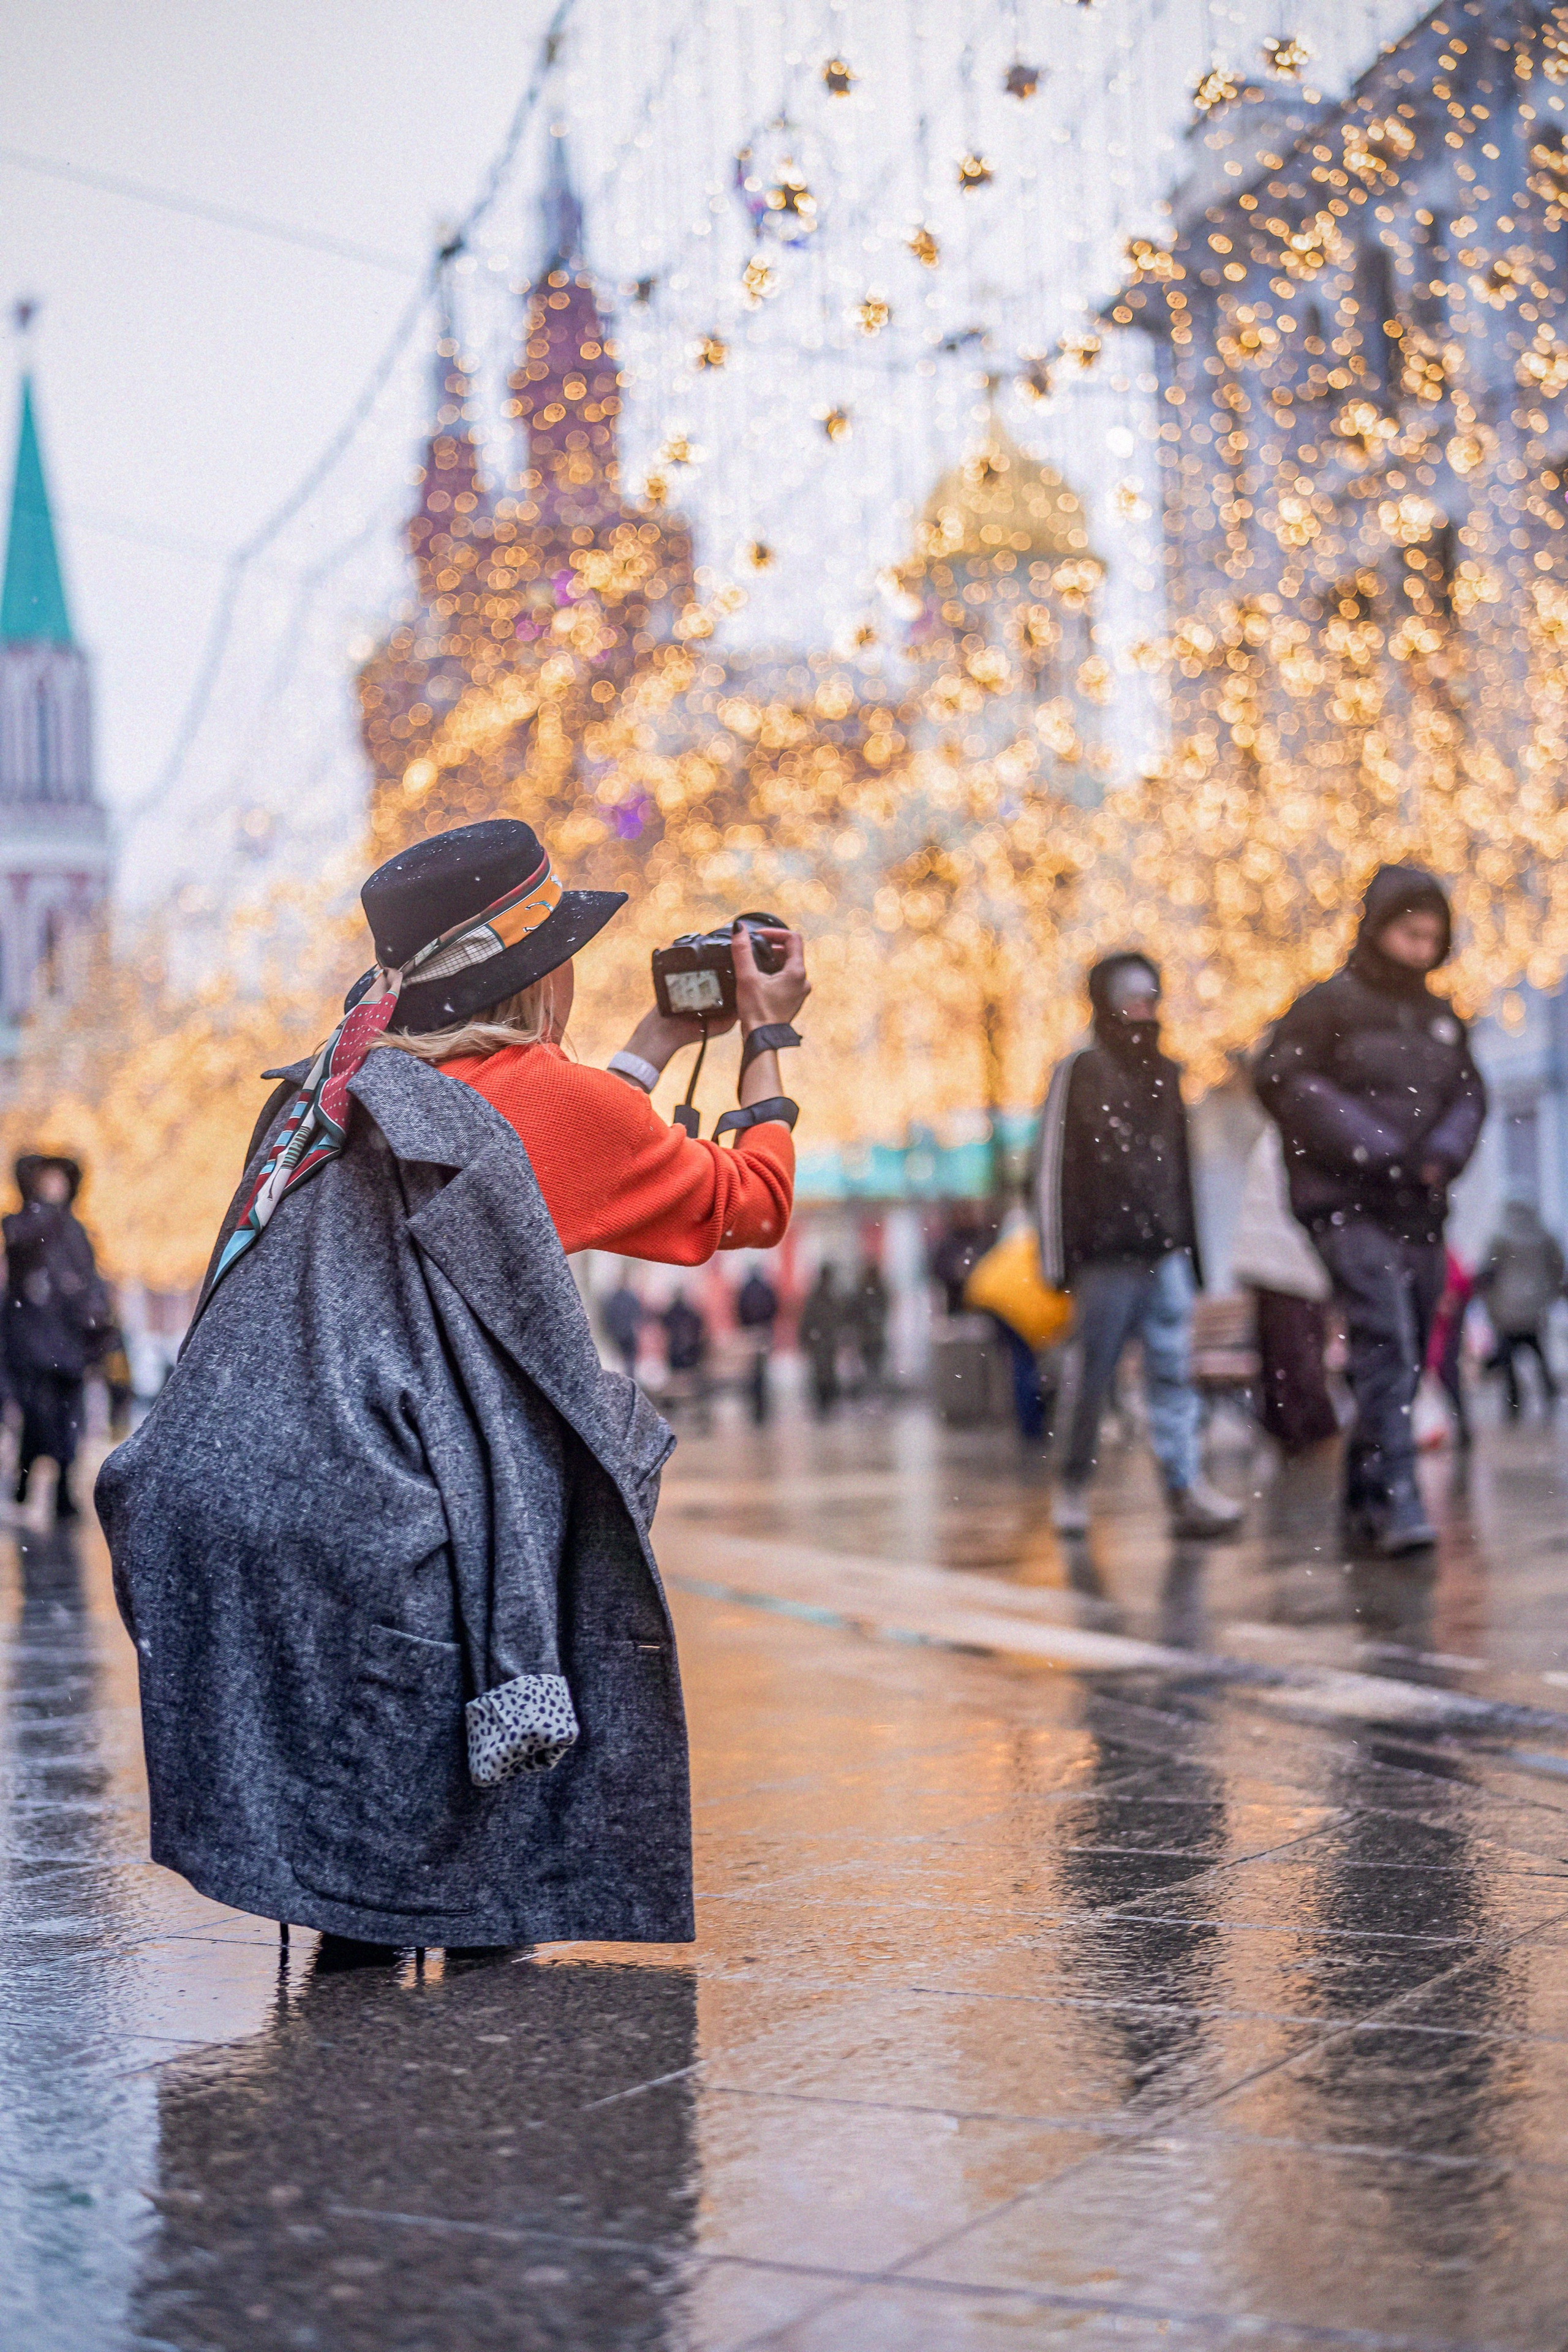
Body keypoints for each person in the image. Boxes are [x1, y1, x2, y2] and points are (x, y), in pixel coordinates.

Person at [96, 817, 810, 1956]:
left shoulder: (336, 1085)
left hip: (242, 1476)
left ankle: (365, 1926)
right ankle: (480, 1928)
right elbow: (752, 1201)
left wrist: (653, 1042)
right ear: (540, 977)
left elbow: (536, 1154)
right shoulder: (556, 1106)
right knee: (586, 1465)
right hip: (409, 1490)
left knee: (363, 1863)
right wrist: (768, 1041)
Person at [1255, 864, 1485, 1554]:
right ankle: (1398, 1498)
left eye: (1430, 938)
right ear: (1381, 928)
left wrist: (1435, 1157)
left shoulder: (1442, 1020)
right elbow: (1284, 1082)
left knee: (1410, 1346)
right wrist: (1377, 1149)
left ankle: (1363, 1494)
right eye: (1409, 934)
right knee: (1384, 1335)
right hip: (1346, 1205)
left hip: (1419, 1204)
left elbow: (1471, 1098)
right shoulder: (1326, 1007)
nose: (1420, 949)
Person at [1033, 954, 1244, 1539]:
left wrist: (1194, 1256)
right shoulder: (1079, 1072)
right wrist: (1058, 1262)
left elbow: (1182, 1171)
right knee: (1092, 1376)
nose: (1142, 1006)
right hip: (1106, 1257)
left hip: (1164, 1251)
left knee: (1173, 1372)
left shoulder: (1167, 1073)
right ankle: (1072, 1485)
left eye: (1150, 994)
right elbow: (1051, 1171)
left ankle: (1184, 1488)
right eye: (1130, 995)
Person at [4, 1155, 116, 1521]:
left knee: (68, 1419)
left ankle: (62, 1488)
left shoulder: (76, 1230)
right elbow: (22, 1265)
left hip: (68, 1344)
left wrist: (97, 1318)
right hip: (32, 1341)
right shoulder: (22, 1225)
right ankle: (27, 1476)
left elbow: (89, 1279)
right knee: (38, 1416)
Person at [1230, 1123, 1338, 1457]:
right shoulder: (1297, 1138)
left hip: (1276, 1266)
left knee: (1284, 1357)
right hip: (1291, 1267)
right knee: (1296, 1358)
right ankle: (1307, 1433)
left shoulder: (1275, 1137)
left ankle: (1294, 1432)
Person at [1476, 1201, 1563, 1420]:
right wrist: (1549, 1293)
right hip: (1535, 1307)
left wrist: (1487, 1299)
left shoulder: (1499, 1238)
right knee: (1539, 1353)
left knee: (1508, 1360)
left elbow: (1487, 1272)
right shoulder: (1545, 1237)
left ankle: (1514, 1403)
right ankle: (1549, 1394)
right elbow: (1559, 1268)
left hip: (1507, 1310)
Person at [1427, 1247, 1475, 1447]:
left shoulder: (1439, 1253)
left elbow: (1462, 1283)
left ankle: (1461, 1426)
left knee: (1446, 1372)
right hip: (1435, 1325)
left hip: (1444, 1327)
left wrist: (1450, 1296)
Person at [736, 1264, 779, 1423]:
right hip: (764, 1331)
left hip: (751, 1332)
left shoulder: (746, 1289)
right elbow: (774, 1306)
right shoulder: (765, 1288)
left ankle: (757, 1406)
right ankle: (762, 1406)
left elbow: (739, 1309)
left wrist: (747, 1326)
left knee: (754, 1371)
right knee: (762, 1371)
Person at [797, 1264, 843, 1417]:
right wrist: (805, 1338)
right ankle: (823, 1402)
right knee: (821, 1373)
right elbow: (807, 1319)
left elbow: (840, 1318)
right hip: (820, 1340)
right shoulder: (819, 1297)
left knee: (828, 1372)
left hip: (827, 1340)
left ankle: (828, 1402)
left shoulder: (831, 1296)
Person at [850, 1258, 889, 1393]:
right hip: (868, 1336)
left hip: (873, 1336)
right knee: (870, 1365)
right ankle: (871, 1391)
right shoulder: (866, 1290)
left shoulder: (877, 1290)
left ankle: (874, 1391)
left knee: (875, 1366)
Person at [601, 1277, 644, 1379]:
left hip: (620, 1333)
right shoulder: (628, 1298)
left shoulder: (614, 1298)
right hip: (626, 1333)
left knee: (621, 1360)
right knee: (627, 1360)